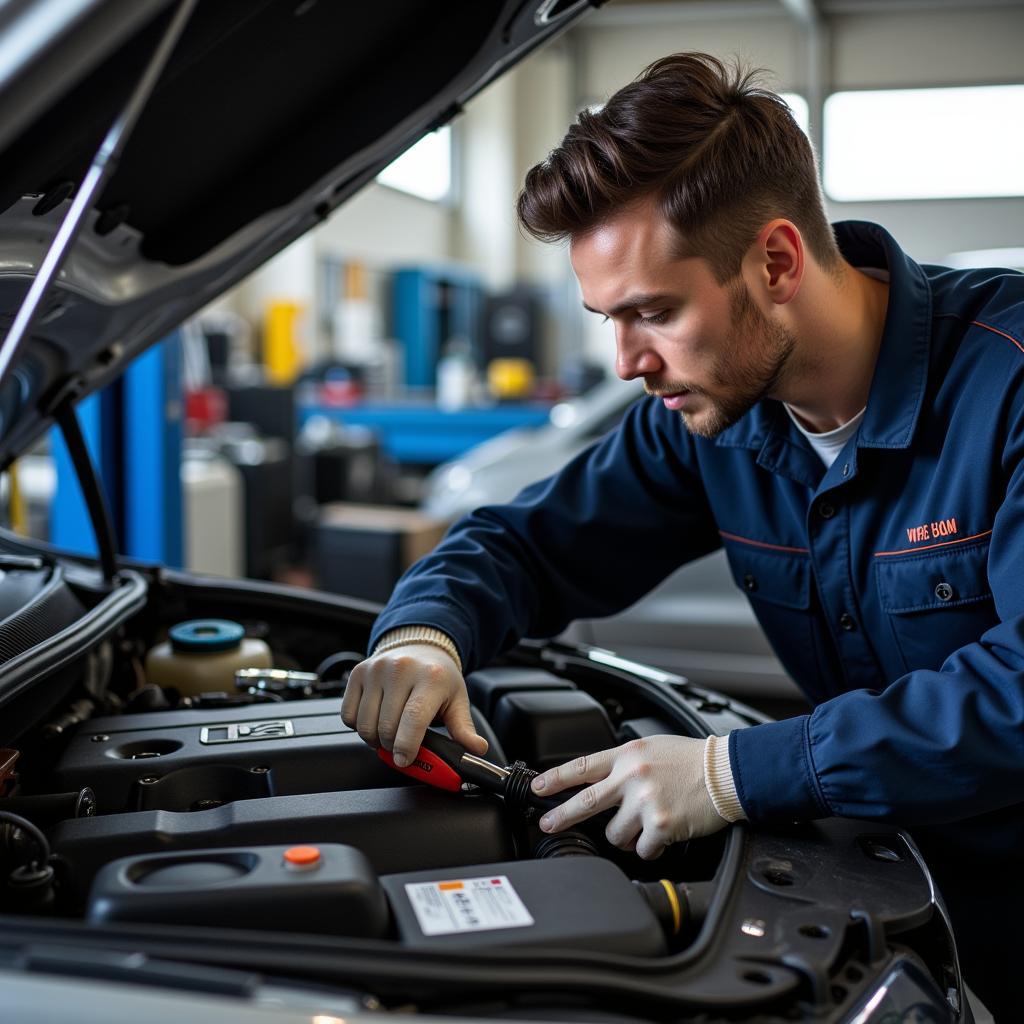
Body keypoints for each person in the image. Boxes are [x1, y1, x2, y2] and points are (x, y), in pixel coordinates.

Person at [341, 53, 1023, 1019]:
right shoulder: (710, 422)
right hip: (906, 894)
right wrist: (425, 632)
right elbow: (525, 542)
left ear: (777, 261)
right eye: (607, 321)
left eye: (654, 313)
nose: (627, 362)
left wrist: (731, 772)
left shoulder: (1009, 384)